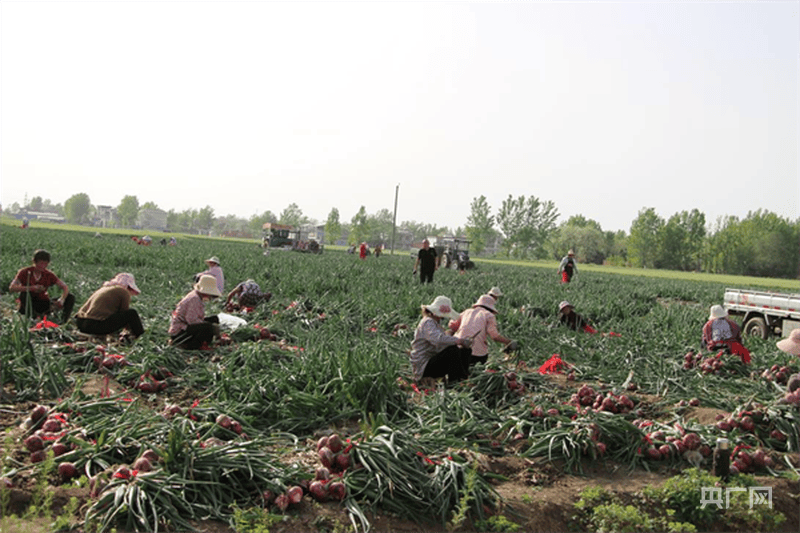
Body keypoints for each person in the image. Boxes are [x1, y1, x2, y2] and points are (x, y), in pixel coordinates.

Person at [409, 296, 472, 383]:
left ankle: (463, 377)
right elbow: (437, 339)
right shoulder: (428, 322)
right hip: (424, 365)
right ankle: (455, 381)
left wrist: (453, 338)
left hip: (432, 361)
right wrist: (458, 340)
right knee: (452, 351)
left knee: (465, 350)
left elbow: (441, 342)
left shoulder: (435, 324)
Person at [449, 294, 516, 368]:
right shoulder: (489, 315)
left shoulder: (466, 311)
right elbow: (494, 336)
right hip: (475, 355)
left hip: (456, 349)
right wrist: (508, 342)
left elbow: (452, 326)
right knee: (480, 357)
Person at [9, 249, 75, 323]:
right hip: (28, 302)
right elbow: (12, 287)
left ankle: (62, 322)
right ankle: (30, 316)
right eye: (41, 263)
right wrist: (31, 288)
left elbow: (64, 287)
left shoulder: (49, 275)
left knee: (70, 297)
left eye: (45, 264)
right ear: (34, 262)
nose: (43, 266)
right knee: (26, 293)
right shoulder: (25, 272)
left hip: (43, 302)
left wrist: (62, 299)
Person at [75, 273, 144, 342]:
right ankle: (141, 337)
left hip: (80, 323)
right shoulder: (123, 291)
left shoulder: (105, 288)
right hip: (95, 325)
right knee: (131, 313)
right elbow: (124, 312)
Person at [169, 275, 222, 349]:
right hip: (179, 333)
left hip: (186, 326)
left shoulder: (197, 296)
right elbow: (191, 320)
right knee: (208, 327)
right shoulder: (195, 299)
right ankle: (190, 345)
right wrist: (209, 326)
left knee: (214, 319)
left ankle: (210, 341)